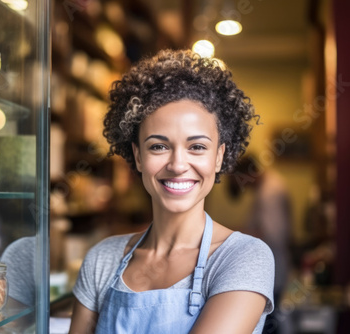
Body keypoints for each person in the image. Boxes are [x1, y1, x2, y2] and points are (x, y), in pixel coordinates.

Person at [69, 49, 275, 334]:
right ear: (138, 156)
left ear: (218, 157)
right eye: (158, 146)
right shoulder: (103, 259)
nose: (178, 164)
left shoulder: (243, 257)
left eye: (197, 147)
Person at [229, 155, 292, 334]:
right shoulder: (266, 187)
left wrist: (228, 235)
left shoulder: (270, 193)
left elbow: (273, 235)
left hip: (274, 269)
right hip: (271, 269)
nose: (244, 187)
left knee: (270, 324)